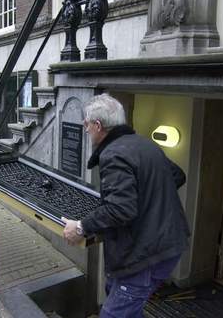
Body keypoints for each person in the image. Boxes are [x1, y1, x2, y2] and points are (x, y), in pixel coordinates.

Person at [62, 94, 190, 317]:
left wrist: (80, 227)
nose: (85, 130)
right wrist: (150, 203)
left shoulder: (114, 154)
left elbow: (121, 209)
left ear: (98, 125)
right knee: (124, 301)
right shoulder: (144, 144)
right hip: (170, 246)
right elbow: (177, 176)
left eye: (86, 124)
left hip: (144, 257)